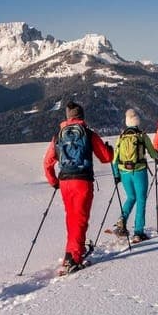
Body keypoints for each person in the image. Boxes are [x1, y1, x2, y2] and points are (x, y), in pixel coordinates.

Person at [42, 101, 114, 275]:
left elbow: (47, 162)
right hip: (82, 180)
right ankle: (74, 258)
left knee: (71, 218)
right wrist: (109, 150)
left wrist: (54, 182)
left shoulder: (58, 135)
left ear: (68, 118)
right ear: (82, 116)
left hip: (65, 181)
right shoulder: (88, 134)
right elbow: (105, 158)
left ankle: (72, 251)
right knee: (80, 219)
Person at [111, 108, 158, 243]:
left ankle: (121, 220)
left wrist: (116, 174)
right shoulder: (141, 136)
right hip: (139, 171)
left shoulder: (121, 137)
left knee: (130, 197)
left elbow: (114, 158)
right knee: (141, 200)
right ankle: (138, 232)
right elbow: (152, 152)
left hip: (124, 172)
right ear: (137, 121)